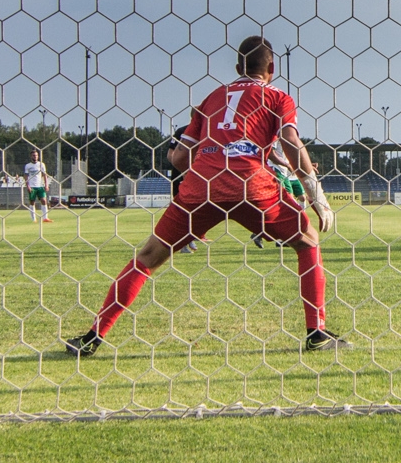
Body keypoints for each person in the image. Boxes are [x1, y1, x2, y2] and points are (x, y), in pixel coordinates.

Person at [66, 35, 346, 356]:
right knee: (308, 240)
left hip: (201, 189)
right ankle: (316, 332)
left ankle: (93, 337)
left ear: (238, 66)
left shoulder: (210, 99)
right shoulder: (278, 97)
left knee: (147, 257)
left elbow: (179, 160)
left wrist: (212, 153)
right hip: (251, 185)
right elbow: (292, 144)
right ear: (271, 67)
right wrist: (317, 197)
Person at [24, 149, 52, 223]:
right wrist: (28, 186)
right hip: (32, 186)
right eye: (33, 155)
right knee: (32, 202)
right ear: (31, 156)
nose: (35, 156)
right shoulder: (28, 166)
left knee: (44, 200)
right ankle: (34, 219)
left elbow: (44, 175)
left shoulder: (41, 164)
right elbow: (26, 176)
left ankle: (45, 218)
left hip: (40, 186)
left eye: (36, 155)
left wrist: (46, 185)